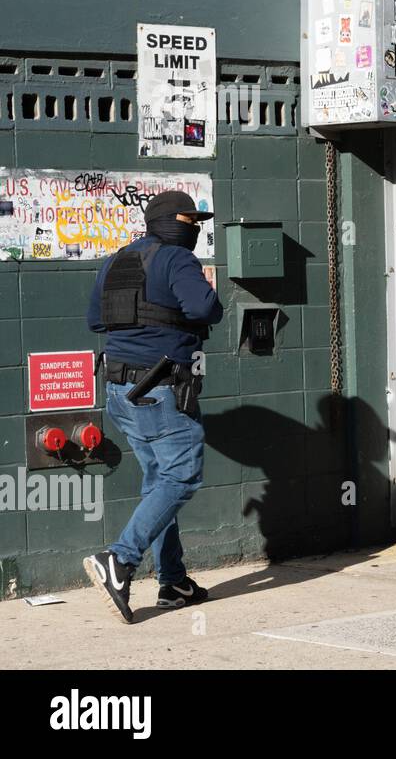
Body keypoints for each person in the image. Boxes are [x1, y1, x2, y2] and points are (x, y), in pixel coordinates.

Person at [83, 191, 223, 623]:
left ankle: (173, 581)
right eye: (190, 218)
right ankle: (119, 560)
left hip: (119, 390)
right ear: (168, 220)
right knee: (182, 475)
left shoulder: (117, 260)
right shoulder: (177, 258)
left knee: (158, 479)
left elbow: (95, 319)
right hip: (159, 389)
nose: (195, 226)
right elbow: (205, 308)